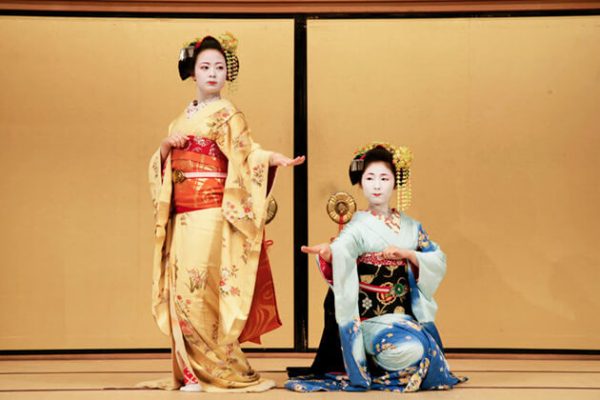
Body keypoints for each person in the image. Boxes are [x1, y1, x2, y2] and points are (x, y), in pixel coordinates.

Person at [145, 33, 304, 393]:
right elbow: (162, 169)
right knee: (181, 292)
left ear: (227, 73)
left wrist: (271, 159)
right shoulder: (178, 120)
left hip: (211, 212)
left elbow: (247, 156)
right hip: (181, 215)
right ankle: (191, 373)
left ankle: (217, 368)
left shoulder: (229, 114)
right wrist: (165, 148)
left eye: (219, 67)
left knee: (200, 291)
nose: (212, 73)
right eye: (205, 67)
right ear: (192, 73)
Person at [286, 143, 465, 392]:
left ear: (395, 183)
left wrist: (409, 254)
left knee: (417, 346)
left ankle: (391, 369)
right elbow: (343, 250)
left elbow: (437, 259)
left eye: (384, 178)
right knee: (412, 350)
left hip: (406, 318)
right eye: (370, 178)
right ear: (361, 183)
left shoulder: (413, 227)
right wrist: (329, 254)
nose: (377, 185)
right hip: (372, 320)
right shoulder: (356, 227)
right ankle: (380, 362)